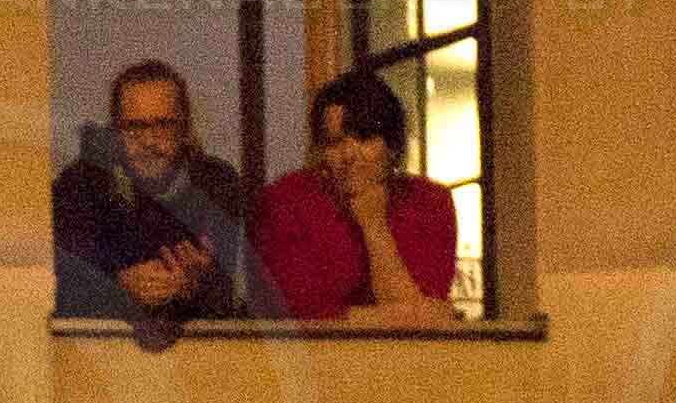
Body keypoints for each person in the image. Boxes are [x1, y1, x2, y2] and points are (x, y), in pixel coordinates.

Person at [49, 56, 264, 344]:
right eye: (135, 128)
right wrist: (119, 285)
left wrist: (196, 285)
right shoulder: (79, 187)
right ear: (116, 132)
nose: (149, 141)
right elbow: (58, 290)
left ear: (185, 128)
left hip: (204, 363)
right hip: (105, 363)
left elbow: (242, 299)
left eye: (162, 125)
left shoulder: (218, 184)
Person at [256, 66, 460, 328]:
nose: (349, 155)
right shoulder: (286, 200)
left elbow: (425, 316)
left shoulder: (430, 202)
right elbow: (295, 311)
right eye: (335, 142)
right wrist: (396, 316)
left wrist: (374, 225)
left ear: (392, 146)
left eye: (364, 138)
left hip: (410, 363)